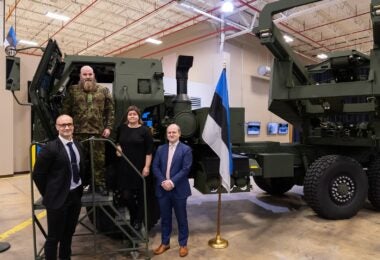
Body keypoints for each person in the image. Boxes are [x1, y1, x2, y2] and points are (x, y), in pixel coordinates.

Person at [33, 114, 88, 260]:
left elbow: (82, 167)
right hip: (57, 199)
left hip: (75, 196)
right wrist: (49, 193)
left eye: (69, 124)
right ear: (57, 127)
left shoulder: (77, 145)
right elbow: (38, 175)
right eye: (63, 125)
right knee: (53, 237)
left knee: (68, 234)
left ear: (73, 126)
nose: (67, 127)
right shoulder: (50, 149)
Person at [62, 65, 114, 194]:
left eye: (90, 74)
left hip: (97, 133)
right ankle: (79, 184)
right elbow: (66, 112)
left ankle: (98, 185)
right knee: (78, 160)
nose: (87, 77)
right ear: (80, 75)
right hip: (78, 134)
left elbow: (110, 111)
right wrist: (67, 129)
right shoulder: (73, 90)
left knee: (98, 161)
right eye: (84, 74)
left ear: (94, 75)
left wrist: (108, 127)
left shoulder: (103, 90)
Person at [152, 124, 193, 257]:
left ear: (179, 134)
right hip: (163, 189)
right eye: (169, 133)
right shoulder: (160, 149)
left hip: (179, 189)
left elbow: (186, 169)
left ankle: (183, 244)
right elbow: (155, 167)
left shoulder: (186, 150)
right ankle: (165, 243)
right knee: (165, 218)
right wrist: (164, 181)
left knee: (182, 218)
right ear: (166, 134)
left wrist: (172, 182)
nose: (171, 134)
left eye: (174, 132)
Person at [115, 105, 153, 230]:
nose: (132, 116)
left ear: (138, 116)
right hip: (124, 168)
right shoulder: (122, 128)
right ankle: (135, 214)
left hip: (140, 167)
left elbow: (149, 151)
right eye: (130, 114)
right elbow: (117, 142)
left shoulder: (145, 130)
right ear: (127, 116)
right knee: (126, 195)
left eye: (134, 114)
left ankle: (138, 220)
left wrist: (147, 167)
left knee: (142, 195)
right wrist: (118, 148)